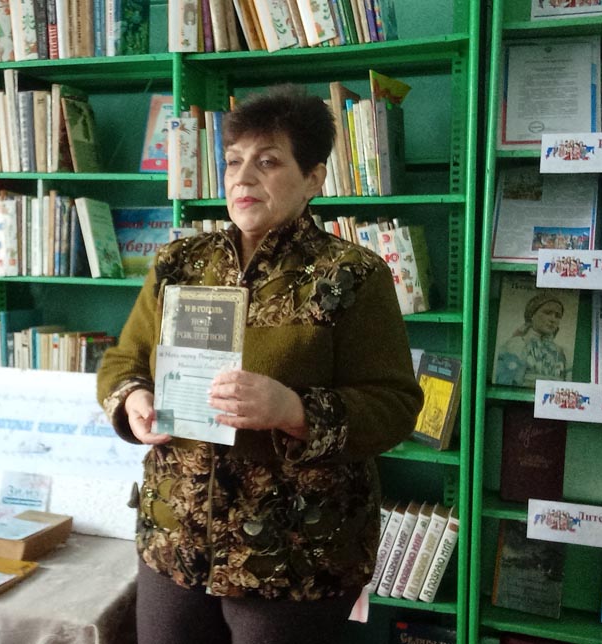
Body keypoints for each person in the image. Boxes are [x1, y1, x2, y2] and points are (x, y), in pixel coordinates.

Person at [96, 85, 423, 644]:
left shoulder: (351, 274)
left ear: (313, 179)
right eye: (233, 161)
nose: (242, 178)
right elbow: (124, 359)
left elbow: (394, 406)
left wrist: (293, 409)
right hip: (175, 540)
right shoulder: (179, 263)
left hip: (293, 556)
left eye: (268, 162)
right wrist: (133, 399)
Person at [494, 292, 570, 387]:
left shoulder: (561, 352)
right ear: (532, 315)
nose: (553, 319)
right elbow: (506, 383)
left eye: (557, 316)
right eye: (547, 313)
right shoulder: (517, 345)